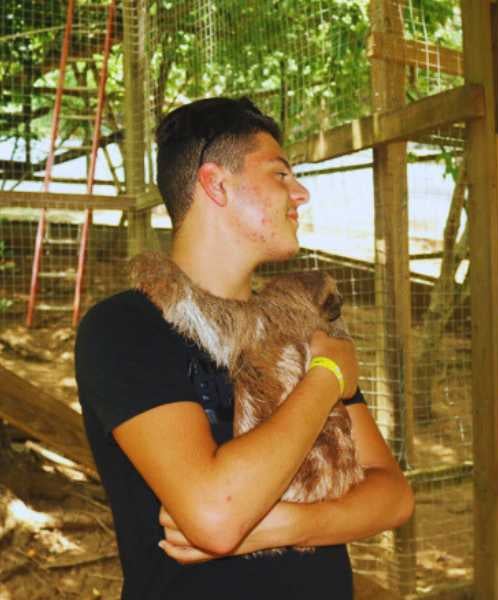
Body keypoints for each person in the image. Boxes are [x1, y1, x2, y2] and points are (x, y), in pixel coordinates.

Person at [75, 97, 414, 599]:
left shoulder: (301, 324)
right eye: (280, 174)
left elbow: (393, 496)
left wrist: (284, 526)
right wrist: (324, 378)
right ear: (216, 183)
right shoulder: (125, 327)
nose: (300, 193)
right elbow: (215, 515)